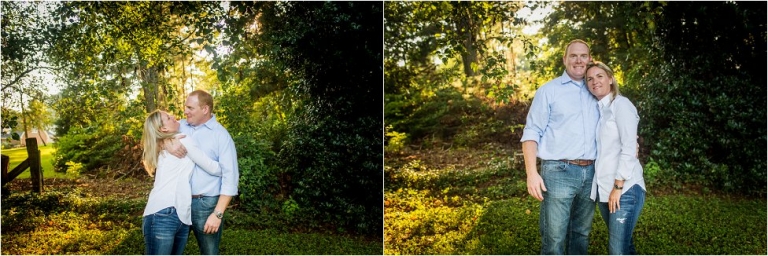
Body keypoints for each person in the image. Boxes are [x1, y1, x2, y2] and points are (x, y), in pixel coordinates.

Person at [520, 39, 598, 255]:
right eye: (573, 55)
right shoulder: (549, 91)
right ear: (565, 59)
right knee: (554, 238)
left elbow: (614, 122)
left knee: (581, 233)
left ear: (590, 59)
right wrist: (531, 174)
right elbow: (531, 132)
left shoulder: (597, 88)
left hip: (592, 172)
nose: (579, 60)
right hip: (558, 172)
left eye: (584, 55)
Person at [166, 89, 239, 255]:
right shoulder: (181, 125)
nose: (185, 111)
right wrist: (167, 143)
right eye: (185, 107)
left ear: (205, 109)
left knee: (209, 252)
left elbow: (230, 178)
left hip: (205, 205)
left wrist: (217, 214)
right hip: (177, 202)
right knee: (171, 251)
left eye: (190, 108)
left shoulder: (221, 136)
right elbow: (156, 133)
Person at [140, 110, 224, 255]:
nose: (173, 116)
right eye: (168, 117)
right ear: (163, 129)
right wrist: (229, 163)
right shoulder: (182, 139)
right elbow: (213, 168)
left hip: (182, 216)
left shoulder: (172, 140)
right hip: (162, 213)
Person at [585, 61, 647, 255]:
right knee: (624, 247)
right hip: (605, 190)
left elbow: (629, 148)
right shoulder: (601, 111)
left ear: (611, 79)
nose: (595, 81)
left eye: (600, 76)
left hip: (624, 189)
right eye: (590, 79)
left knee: (616, 251)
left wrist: (618, 187)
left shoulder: (622, 105)